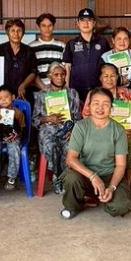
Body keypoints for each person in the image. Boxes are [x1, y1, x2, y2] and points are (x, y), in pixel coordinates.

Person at [60, 88, 131, 219]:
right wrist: (93, 176)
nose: (100, 108)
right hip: (84, 175)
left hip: (109, 176)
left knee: (122, 206)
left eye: (105, 104)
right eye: (96, 103)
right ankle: (74, 206)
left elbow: (120, 165)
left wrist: (111, 188)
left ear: (111, 108)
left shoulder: (118, 130)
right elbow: (71, 159)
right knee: (72, 178)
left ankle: (103, 198)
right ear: (89, 106)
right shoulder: (81, 127)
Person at [81, 63, 131, 186]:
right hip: (100, 132)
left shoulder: (127, 93)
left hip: (125, 133)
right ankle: (100, 183)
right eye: (106, 76)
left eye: (113, 76)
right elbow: (86, 115)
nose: (109, 79)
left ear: (117, 77)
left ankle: (126, 184)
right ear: (100, 78)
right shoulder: (94, 94)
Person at [32, 62, 82, 194]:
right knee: (52, 146)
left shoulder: (72, 93)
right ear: (49, 76)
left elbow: (78, 117)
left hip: (67, 129)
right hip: (48, 130)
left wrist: (72, 130)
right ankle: (57, 178)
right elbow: (35, 120)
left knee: (69, 147)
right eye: (56, 75)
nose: (60, 77)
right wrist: (47, 118)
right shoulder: (42, 94)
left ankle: (67, 178)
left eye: (63, 74)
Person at [63, 8, 109, 101]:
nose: (86, 23)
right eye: (82, 20)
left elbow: (108, 65)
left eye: (89, 20)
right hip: (77, 89)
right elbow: (67, 67)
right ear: (78, 23)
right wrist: (67, 88)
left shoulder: (103, 43)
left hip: (98, 88)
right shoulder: (71, 44)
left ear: (94, 23)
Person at [0, 86, 26, 190]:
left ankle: (11, 177)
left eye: (6, 97)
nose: (3, 100)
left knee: (14, 148)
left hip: (13, 137)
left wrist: (15, 136)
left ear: (12, 97)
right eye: (0, 98)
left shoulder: (18, 113)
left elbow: (22, 128)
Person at [0, 18, 37, 100]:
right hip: (2, 93)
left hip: (23, 92)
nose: (16, 34)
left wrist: (23, 85)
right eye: (13, 30)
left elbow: (33, 72)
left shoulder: (29, 51)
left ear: (23, 33)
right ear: (7, 33)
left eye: (19, 31)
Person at [101, 26, 131, 98]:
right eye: (119, 39)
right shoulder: (105, 57)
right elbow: (101, 78)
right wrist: (119, 81)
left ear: (129, 40)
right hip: (109, 96)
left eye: (125, 39)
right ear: (113, 40)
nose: (122, 42)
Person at [29, 13, 65, 89]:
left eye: (50, 25)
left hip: (58, 89)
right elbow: (31, 72)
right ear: (39, 27)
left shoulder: (62, 46)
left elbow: (65, 70)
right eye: (43, 26)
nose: (47, 29)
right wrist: (44, 88)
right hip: (38, 89)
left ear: (53, 26)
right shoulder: (31, 47)